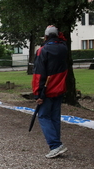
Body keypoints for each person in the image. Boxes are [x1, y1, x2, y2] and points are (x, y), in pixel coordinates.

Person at [32, 25, 68, 158]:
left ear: (46, 36)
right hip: (60, 88)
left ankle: (55, 145)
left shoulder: (43, 50)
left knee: (43, 116)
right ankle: (57, 145)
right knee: (54, 117)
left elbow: (38, 75)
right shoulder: (64, 48)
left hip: (47, 90)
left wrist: (37, 93)